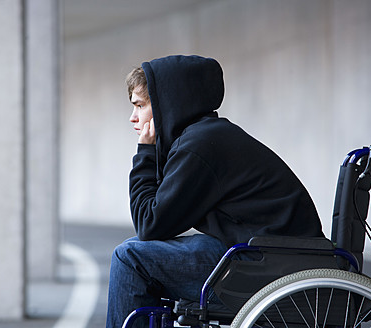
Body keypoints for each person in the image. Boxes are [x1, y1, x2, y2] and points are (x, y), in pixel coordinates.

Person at [106, 55, 324, 328]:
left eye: (140, 106)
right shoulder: (206, 136)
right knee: (134, 249)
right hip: (267, 251)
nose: (133, 117)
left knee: (130, 258)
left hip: (267, 264)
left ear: (165, 106)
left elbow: (149, 223)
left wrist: (146, 152)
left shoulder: (198, 147)